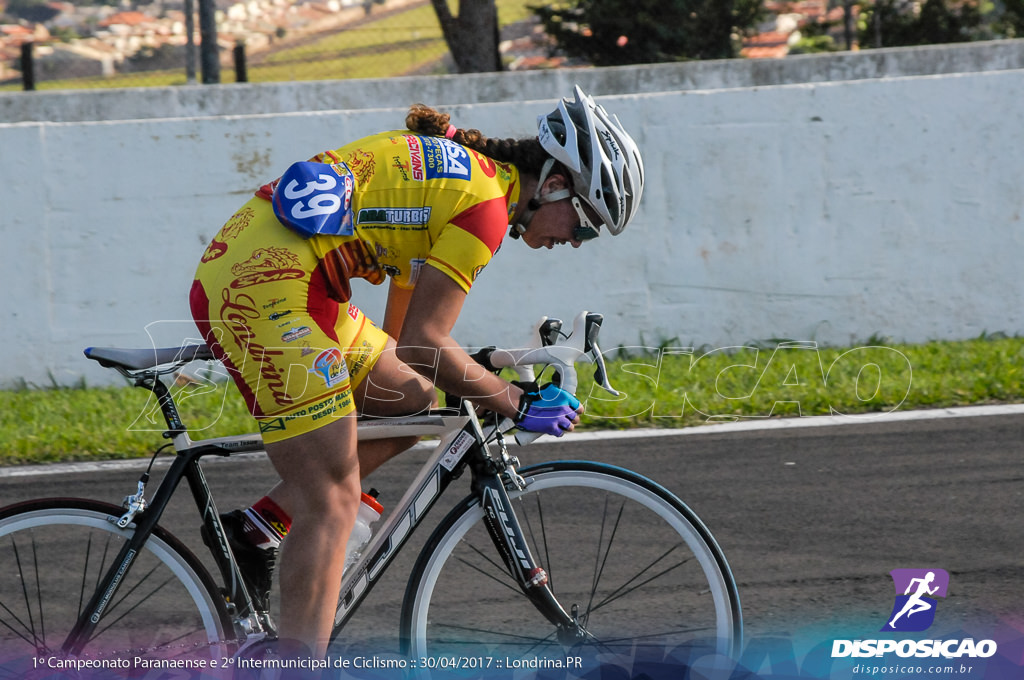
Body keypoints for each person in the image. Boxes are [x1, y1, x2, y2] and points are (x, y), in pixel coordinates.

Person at [188, 85, 644, 662]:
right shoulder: (484, 209)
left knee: (417, 400)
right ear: (554, 184)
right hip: (270, 285)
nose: (575, 242)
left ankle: (258, 528)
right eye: (583, 226)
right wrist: (517, 404)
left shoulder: (473, 183)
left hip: (301, 282)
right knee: (332, 501)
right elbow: (426, 340)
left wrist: (482, 377)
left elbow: (411, 349)